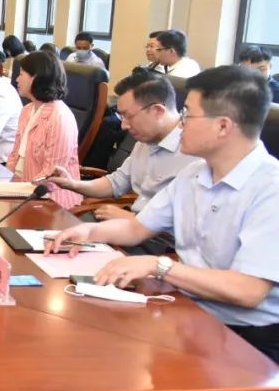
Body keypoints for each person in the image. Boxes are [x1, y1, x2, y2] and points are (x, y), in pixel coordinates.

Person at [47, 66, 279, 362]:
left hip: (245, 337)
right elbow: (137, 228)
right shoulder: (194, 173)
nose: (180, 124)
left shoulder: (270, 189)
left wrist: (160, 267)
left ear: (223, 126)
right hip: (188, 309)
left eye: (188, 115)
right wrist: (87, 232)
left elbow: (248, 290)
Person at [43, 69, 196, 224]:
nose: (124, 126)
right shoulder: (144, 142)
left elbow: (193, 225)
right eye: (121, 116)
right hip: (132, 226)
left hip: (157, 236)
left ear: (157, 111)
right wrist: (72, 184)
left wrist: (135, 220)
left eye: (128, 116)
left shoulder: (194, 153)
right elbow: (115, 183)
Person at [4, 51, 81, 208]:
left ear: (36, 77)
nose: (17, 79)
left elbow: (51, 176)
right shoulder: (27, 110)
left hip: (50, 200)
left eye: (21, 74)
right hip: (21, 189)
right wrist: (4, 183)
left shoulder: (59, 117)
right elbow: (14, 156)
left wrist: (19, 190)